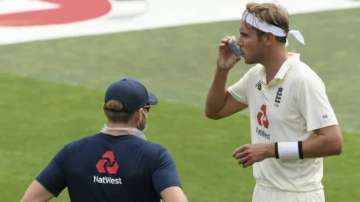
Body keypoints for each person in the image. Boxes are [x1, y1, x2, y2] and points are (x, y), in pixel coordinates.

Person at [205, 2, 342, 202]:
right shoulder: (255, 76)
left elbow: (333, 141)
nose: (238, 42)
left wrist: (271, 150)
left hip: (298, 195)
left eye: (245, 35)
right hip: (263, 191)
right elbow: (215, 110)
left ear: (268, 38)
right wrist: (222, 70)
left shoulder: (303, 80)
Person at [22, 78, 188, 202]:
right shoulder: (156, 156)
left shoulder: (72, 152)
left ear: (105, 110)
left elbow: (30, 200)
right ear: (139, 115)